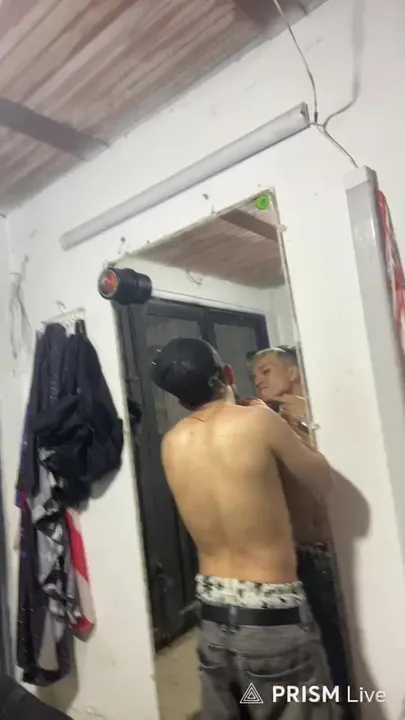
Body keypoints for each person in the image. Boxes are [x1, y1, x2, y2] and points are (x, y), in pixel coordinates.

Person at [152, 337, 340, 720]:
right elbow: (322, 480)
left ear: (181, 400)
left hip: (213, 621)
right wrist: (291, 423)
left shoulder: (171, 443)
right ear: (228, 374)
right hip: (273, 622)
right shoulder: (258, 421)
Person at [250, 346, 354, 719]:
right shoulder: (267, 425)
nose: (258, 380)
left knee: (348, 646)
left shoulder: (325, 411)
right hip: (296, 558)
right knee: (312, 650)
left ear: (293, 372)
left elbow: (343, 467)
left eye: (266, 370)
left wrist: (306, 420)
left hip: (338, 551)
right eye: (255, 376)